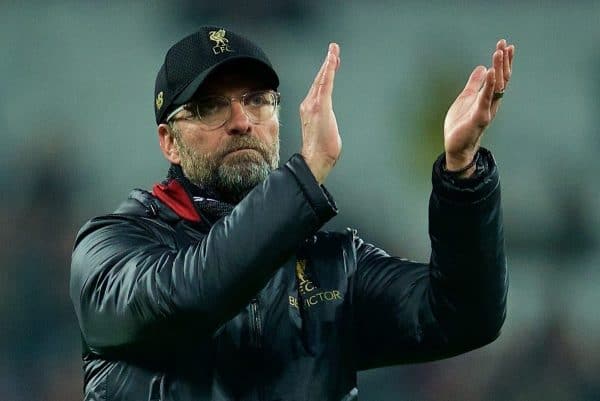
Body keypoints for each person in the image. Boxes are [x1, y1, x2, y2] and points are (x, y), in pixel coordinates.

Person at [70, 26, 514, 401]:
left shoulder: (333, 267)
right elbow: (192, 298)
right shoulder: (110, 250)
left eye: (258, 99)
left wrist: (463, 174)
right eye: (210, 106)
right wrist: (307, 173)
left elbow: (464, 315)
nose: (242, 120)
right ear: (169, 141)